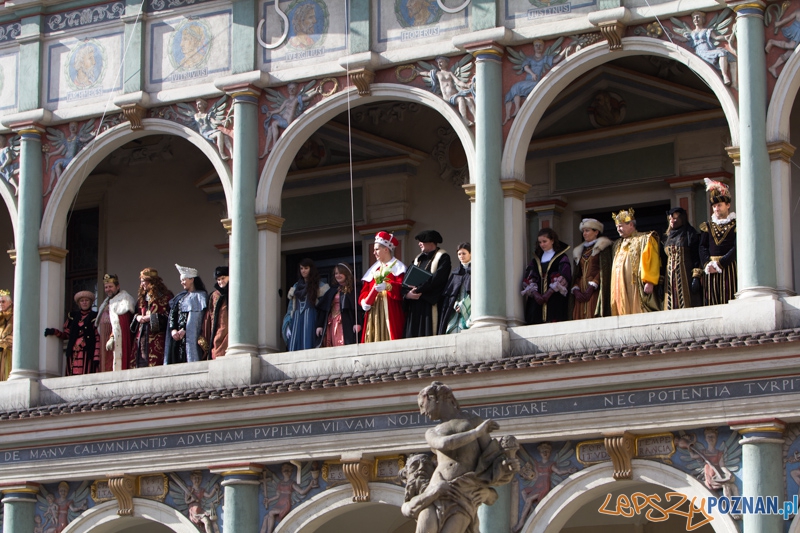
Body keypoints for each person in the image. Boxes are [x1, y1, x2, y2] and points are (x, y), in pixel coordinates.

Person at [400, 381, 519, 533]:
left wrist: (506, 466)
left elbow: (492, 459)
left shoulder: (474, 421)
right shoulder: (433, 431)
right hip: (436, 489)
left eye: (422, 405)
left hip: (463, 493)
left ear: (434, 398)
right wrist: (476, 433)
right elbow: (445, 444)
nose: (422, 412)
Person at [610, 208, 661, 315]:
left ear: (631, 225)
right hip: (619, 286)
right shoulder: (617, 244)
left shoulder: (644, 239)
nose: (618, 229)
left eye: (621, 226)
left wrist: (650, 281)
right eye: (617, 227)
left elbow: (652, 260)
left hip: (635, 286)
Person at [360, 231, 407, 342]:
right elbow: (364, 291)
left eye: (376, 249)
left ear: (386, 249)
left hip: (391, 312)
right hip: (374, 313)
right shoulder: (373, 269)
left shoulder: (399, 267)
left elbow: (403, 289)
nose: (374, 253)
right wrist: (363, 301)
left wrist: (388, 286)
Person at [404, 230, 451, 338]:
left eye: (422, 241)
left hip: (430, 304)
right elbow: (406, 280)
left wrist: (418, 289)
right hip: (415, 305)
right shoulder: (417, 260)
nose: (419, 244)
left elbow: (437, 279)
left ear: (431, 242)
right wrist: (407, 294)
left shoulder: (443, 257)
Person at [522, 228, 572, 324]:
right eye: (540, 242)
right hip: (537, 301)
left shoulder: (562, 257)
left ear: (552, 240)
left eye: (544, 241)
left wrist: (548, 293)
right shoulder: (535, 260)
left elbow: (565, 276)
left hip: (555, 299)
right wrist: (536, 294)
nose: (542, 244)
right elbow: (528, 278)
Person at [699, 179, 737, 306]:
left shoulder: (735, 224)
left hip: (729, 267)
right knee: (712, 301)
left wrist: (721, 264)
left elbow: (736, 247)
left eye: (719, 205)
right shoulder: (707, 226)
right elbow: (702, 246)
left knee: (729, 298)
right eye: (714, 206)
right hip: (711, 269)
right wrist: (707, 264)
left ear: (728, 205)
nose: (716, 208)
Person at [44, 291, 100, 376]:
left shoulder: (95, 316)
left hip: (87, 353)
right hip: (73, 352)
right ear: (79, 303)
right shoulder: (73, 316)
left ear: (91, 302)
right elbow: (67, 334)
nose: (84, 302)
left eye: (87, 300)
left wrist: (96, 356)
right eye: (82, 301)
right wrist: (54, 332)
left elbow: (97, 337)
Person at [165, 264, 208, 364]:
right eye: (181, 280)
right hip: (177, 337)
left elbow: (198, 320)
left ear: (192, 279)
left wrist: (185, 329)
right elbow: (173, 315)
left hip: (191, 336)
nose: (182, 282)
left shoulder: (201, 296)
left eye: (184, 280)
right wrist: (173, 329)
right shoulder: (180, 297)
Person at [131, 268, 173, 368]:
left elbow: (170, 317)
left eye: (143, 281)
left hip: (157, 340)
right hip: (141, 338)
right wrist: (138, 317)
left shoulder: (165, 297)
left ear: (152, 282)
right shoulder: (142, 298)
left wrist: (152, 317)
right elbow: (135, 314)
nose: (142, 284)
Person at [283, 258, 328, 351]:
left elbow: (323, 308)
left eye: (306, 268)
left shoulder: (319, 286)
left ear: (311, 269)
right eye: (301, 268)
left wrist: (320, 323)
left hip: (311, 317)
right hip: (296, 318)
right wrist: (287, 324)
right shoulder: (296, 286)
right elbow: (290, 308)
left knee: (308, 343)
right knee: (294, 345)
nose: (303, 271)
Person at [571, 219, 612, 320]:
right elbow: (577, 273)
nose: (584, 233)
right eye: (583, 231)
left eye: (587, 230)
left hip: (596, 289)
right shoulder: (579, 250)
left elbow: (605, 269)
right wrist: (576, 289)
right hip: (581, 289)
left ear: (596, 232)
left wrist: (593, 285)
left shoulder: (603, 247)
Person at [663, 208, 702, 310]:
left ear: (682, 218)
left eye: (675, 218)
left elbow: (696, 256)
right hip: (670, 278)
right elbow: (663, 259)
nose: (672, 221)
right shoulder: (667, 237)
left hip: (686, 275)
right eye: (670, 219)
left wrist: (696, 276)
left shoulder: (690, 233)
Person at [95, 274, 135, 372]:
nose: (108, 289)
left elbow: (122, 323)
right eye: (106, 287)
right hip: (104, 338)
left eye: (110, 286)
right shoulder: (105, 302)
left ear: (117, 286)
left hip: (116, 338)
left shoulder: (124, 299)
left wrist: (113, 336)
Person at [316, 263, 361, 347]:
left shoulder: (354, 289)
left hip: (346, 321)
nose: (338, 275)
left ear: (346, 273)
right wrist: (320, 325)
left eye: (341, 273)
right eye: (336, 273)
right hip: (332, 321)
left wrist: (357, 322)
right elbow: (323, 308)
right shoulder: (333, 290)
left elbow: (357, 308)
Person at [439, 242, 471, 335]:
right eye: (459, 254)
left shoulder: (476, 270)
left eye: (464, 253)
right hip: (456, 310)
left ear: (470, 253)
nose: (461, 256)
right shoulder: (455, 273)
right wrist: (456, 304)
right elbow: (451, 294)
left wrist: (464, 305)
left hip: (470, 307)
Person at [203, 266, 229, 359]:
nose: (221, 281)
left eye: (223, 278)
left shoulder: (234, 291)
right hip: (218, 328)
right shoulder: (214, 295)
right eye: (218, 279)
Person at [0, 290, 12, 381]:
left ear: (10, 302)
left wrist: (3, 342)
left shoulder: (15, 317)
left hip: (8, 353)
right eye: (0, 302)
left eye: (3, 301)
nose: (1, 304)